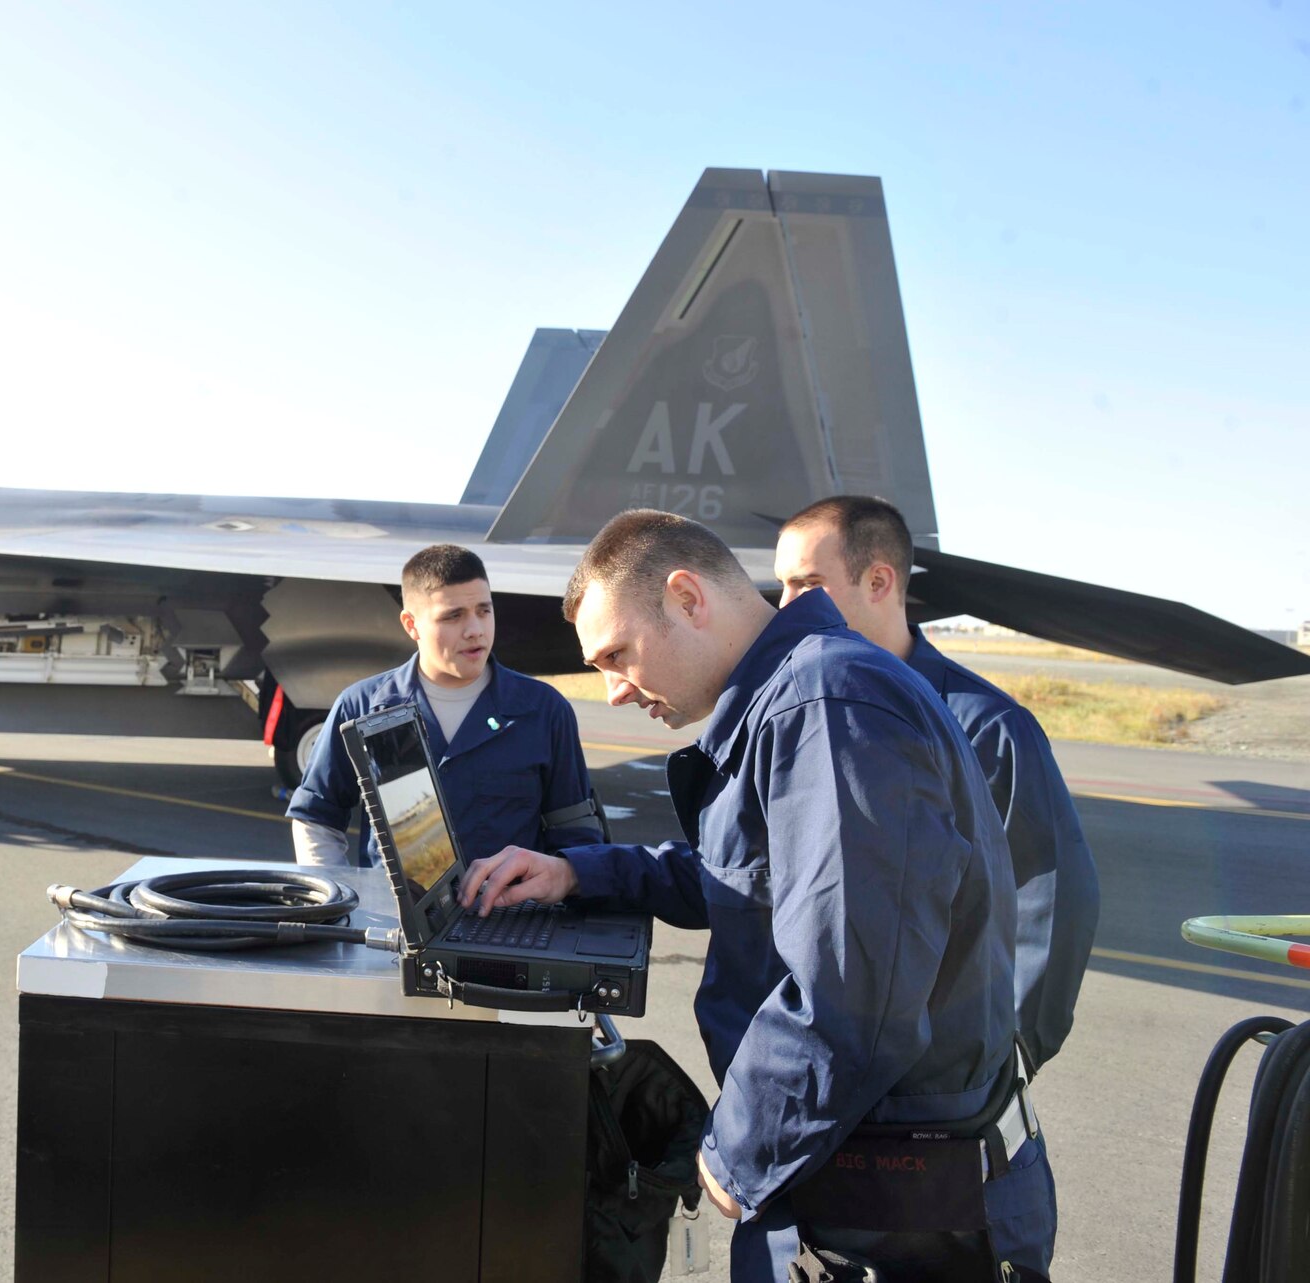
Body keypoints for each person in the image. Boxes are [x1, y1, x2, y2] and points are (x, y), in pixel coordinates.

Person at [460, 510, 1055, 1282]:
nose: (612, 691)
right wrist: (578, 872)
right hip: (849, 1169)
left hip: (892, 1212)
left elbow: (850, 992)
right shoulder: (803, 694)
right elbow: (750, 877)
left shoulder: (826, 706)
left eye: (617, 654)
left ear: (687, 598)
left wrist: (737, 1151)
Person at [773, 496, 1100, 1075]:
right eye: (783, 586)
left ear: (878, 582)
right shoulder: (799, 713)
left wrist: (1014, 1051)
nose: (785, 607)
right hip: (822, 1058)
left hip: (941, 1076)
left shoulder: (986, 727)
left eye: (807, 584)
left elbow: (1050, 900)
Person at [286, 544, 603, 867]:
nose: (475, 630)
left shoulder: (544, 711)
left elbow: (576, 834)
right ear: (411, 625)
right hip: (391, 901)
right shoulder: (362, 708)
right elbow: (316, 818)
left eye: (484, 611)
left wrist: (556, 885)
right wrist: (341, 892)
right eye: (453, 616)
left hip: (510, 901)